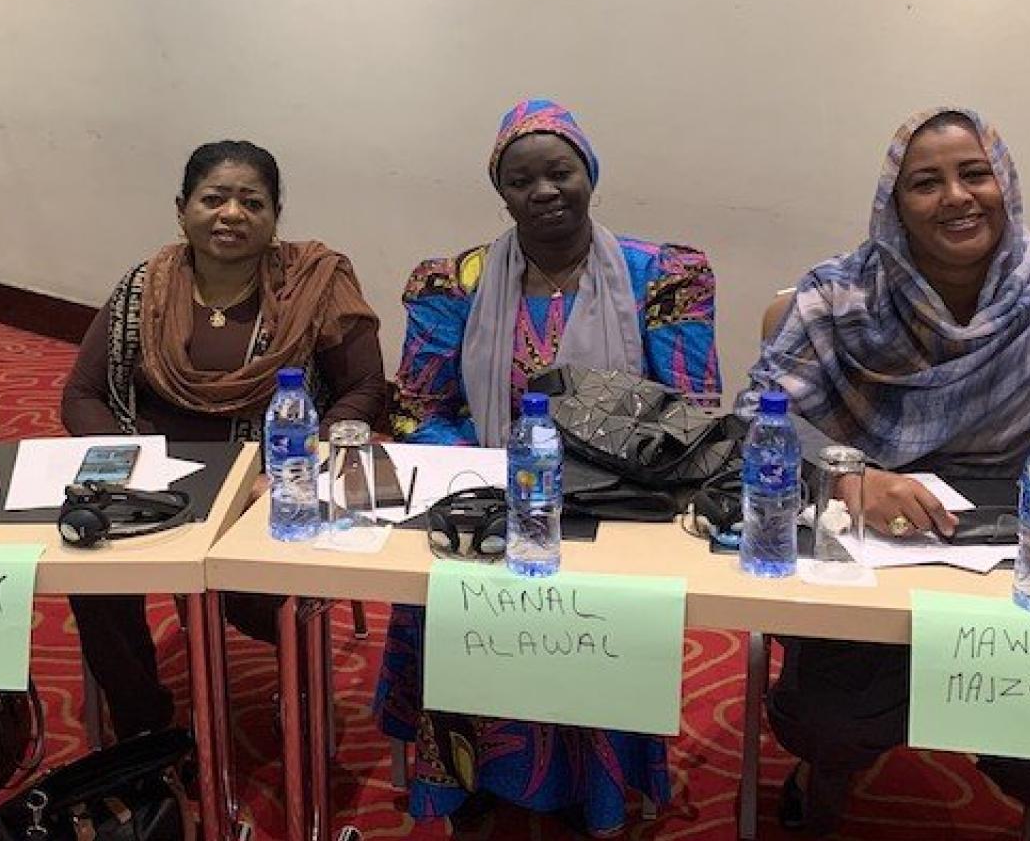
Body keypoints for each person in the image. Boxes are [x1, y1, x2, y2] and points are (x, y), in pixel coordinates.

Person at [752, 108, 1030, 840]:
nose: (956, 196)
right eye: (926, 183)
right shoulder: (837, 299)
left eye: (974, 173)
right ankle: (826, 777)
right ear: (895, 206)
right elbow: (760, 419)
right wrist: (848, 477)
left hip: (1025, 569)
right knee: (827, 719)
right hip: (872, 560)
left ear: (1005, 185)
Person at [376, 99, 721, 835]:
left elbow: (692, 416)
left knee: (601, 604)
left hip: (621, 502)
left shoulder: (662, 276)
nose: (544, 191)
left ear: (589, 173)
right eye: (521, 178)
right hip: (488, 497)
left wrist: (604, 484)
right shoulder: (454, 281)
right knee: (460, 582)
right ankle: (475, 782)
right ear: (501, 192)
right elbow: (414, 410)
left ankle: (593, 791)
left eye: (560, 171)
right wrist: (480, 479)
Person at [61, 139, 387, 738]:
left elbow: (365, 390)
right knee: (90, 576)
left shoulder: (314, 282)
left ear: (274, 215)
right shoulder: (145, 286)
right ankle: (144, 725)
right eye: (214, 199)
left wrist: (294, 470)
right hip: (153, 486)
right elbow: (81, 394)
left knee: (246, 589)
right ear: (182, 208)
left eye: (251, 202)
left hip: (265, 486)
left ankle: (303, 691)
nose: (231, 214)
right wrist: (128, 465)